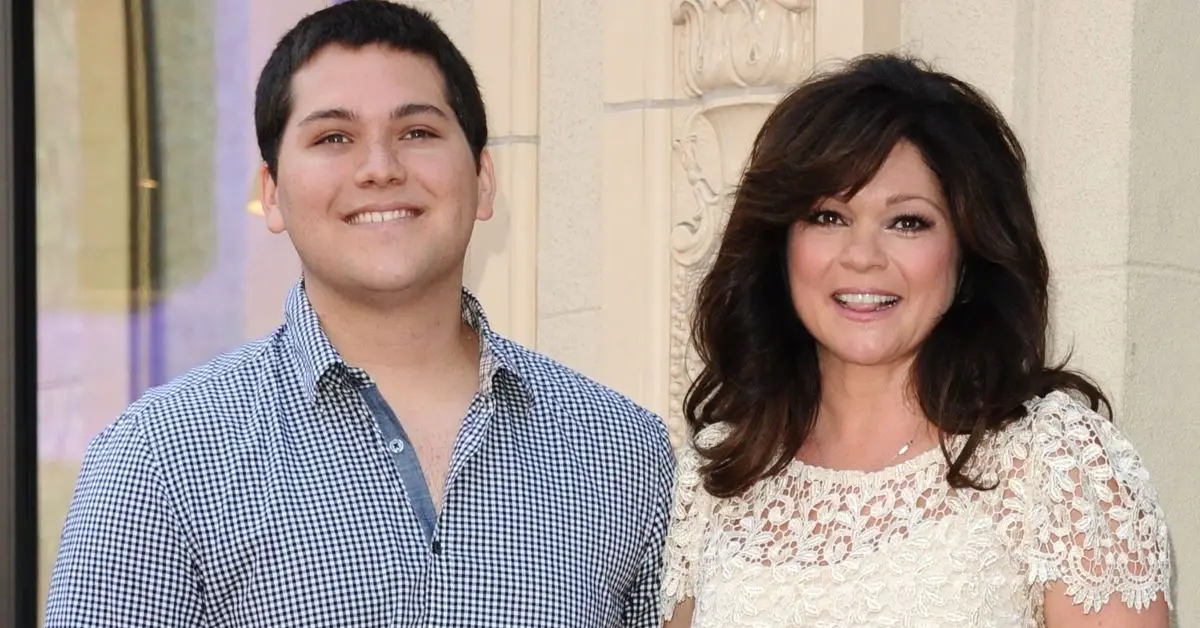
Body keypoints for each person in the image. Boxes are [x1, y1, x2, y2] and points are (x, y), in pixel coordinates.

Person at [44, 2, 674, 626]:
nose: (380, 168)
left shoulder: (626, 451)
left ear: (483, 178)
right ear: (272, 194)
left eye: (418, 133)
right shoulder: (158, 458)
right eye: (333, 138)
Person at [660, 54, 1173, 627]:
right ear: (780, 244)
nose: (861, 256)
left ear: (968, 250)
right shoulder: (719, 473)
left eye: (907, 221)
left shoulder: (1055, 461)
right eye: (828, 216)